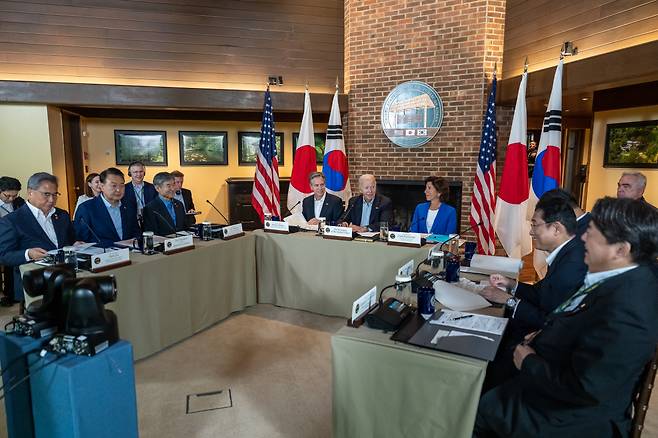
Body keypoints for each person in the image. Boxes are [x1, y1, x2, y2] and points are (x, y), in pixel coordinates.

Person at [474, 197, 658, 438]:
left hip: (569, 419)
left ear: (621, 249)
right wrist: (544, 334)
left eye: (591, 234)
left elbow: (587, 388)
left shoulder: (630, 307)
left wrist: (529, 361)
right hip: (555, 378)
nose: (582, 238)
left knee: (476, 407)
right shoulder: (619, 280)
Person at [479, 195, 587, 391]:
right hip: (542, 334)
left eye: (535, 225)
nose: (530, 231)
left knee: (486, 351)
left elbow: (550, 321)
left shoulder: (572, 265)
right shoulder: (568, 252)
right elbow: (542, 293)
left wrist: (509, 301)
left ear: (556, 228)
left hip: (546, 352)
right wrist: (512, 284)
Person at [0, 172, 75, 302]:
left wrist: (75, 245)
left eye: (55, 194)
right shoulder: (12, 220)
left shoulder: (62, 215)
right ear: (30, 192)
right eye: (46, 194)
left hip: (66, 277)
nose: (51, 199)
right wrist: (28, 254)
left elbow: (70, 241)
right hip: (34, 282)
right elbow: (4, 255)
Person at [74, 168, 140, 247]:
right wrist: (115, 244)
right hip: (102, 256)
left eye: (122, 185)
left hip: (130, 254)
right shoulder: (86, 208)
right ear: (102, 186)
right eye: (114, 186)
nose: (118, 190)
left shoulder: (129, 205)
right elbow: (83, 241)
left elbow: (136, 232)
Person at [0, 176, 26, 306]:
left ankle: (13, 293)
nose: (11, 199)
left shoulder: (19, 202)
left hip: (15, 238)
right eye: (7, 196)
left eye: (14, 196)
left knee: (15, 260)